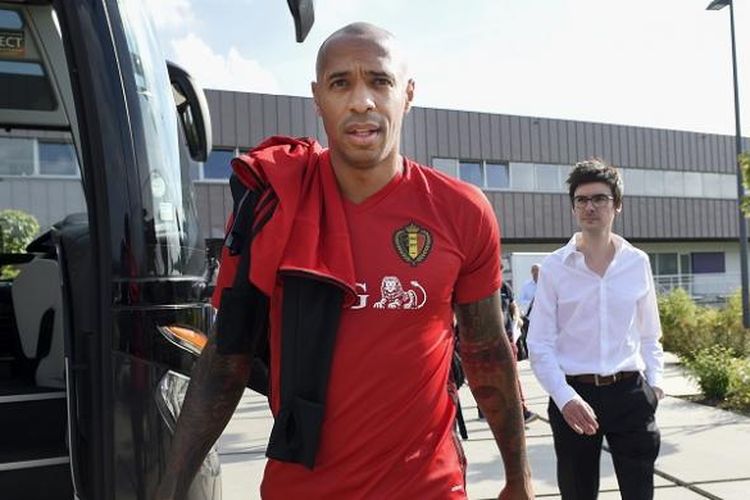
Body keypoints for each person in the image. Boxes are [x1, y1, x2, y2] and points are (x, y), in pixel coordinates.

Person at [156, 23, 533, 499]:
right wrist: (171, 486)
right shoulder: (274, 203)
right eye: (341, 83)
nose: (361, 102)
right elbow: (226, 358)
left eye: (379, 81)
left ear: (408, 93)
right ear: (318, 98)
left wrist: (518, 478)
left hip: (429, 488)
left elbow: (486, 352)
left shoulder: (462, 210)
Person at [527, 158, 664, 500]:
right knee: (577, 493)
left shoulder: (637, 263)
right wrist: (564, 397)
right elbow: (539, 344)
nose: (590, 207)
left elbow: (650, 334)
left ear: (617, 205)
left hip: (630, 394)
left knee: (640, 494)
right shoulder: (555, 268)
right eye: (582, 200)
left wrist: (655, 386)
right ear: (574, 207)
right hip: (574, 395)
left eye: (599, 198)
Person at [479, 281, 537, 426]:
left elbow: (513, 305)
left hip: (507, 339)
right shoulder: (477, 286)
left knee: (511, 377)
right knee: (488, 377)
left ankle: (521, 412)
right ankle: (486, 409)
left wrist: (517, 321)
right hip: (485, 341)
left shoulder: (503, 287)